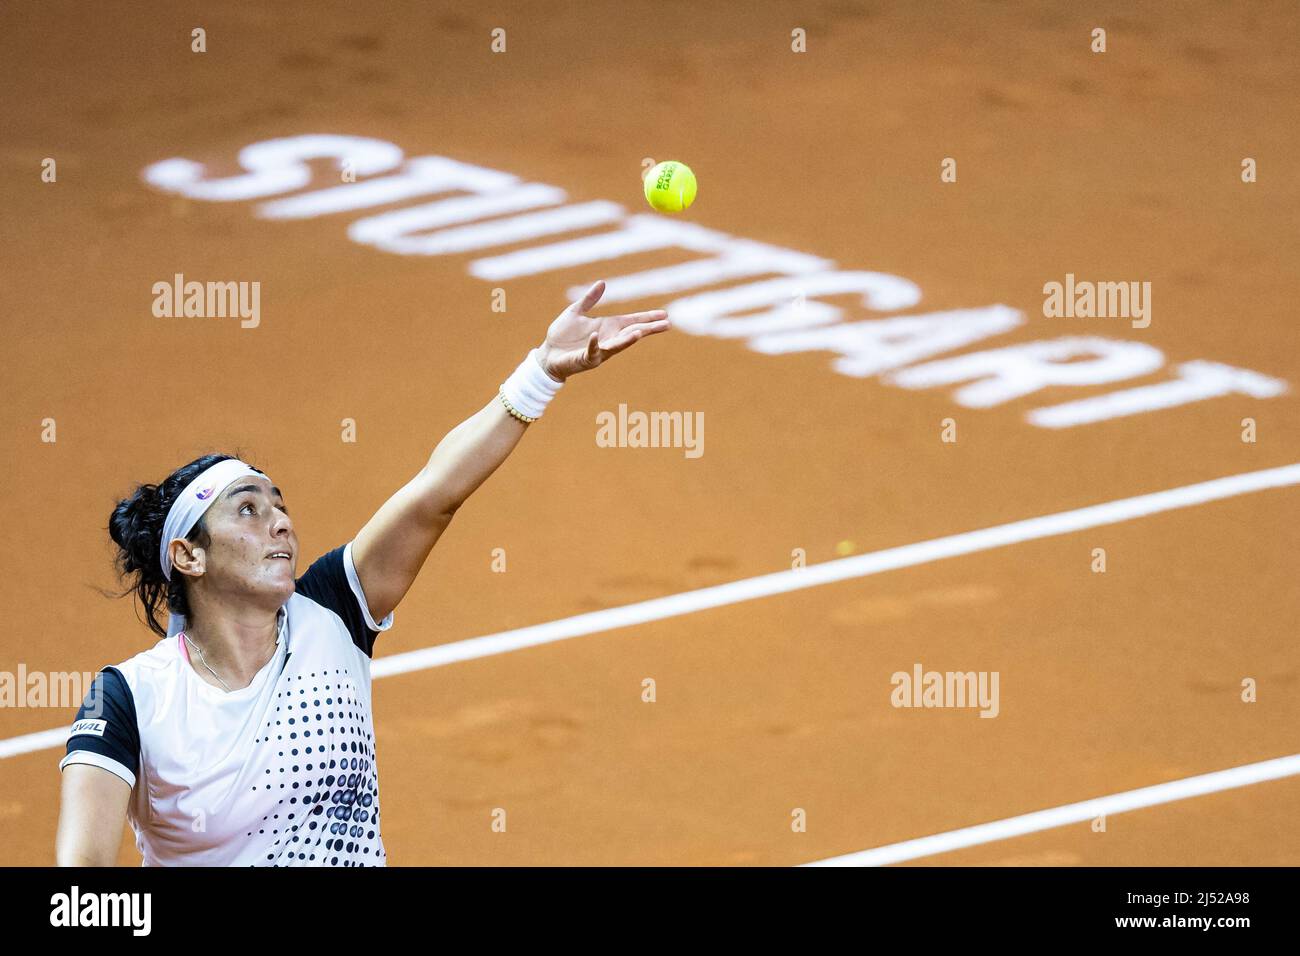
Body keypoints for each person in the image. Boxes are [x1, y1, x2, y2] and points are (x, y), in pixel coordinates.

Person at [55, 281, 670, 866]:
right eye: (247, 509)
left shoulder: (332, 612)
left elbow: (435, 495)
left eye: (280, 505)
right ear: (190, 556)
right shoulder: (129, 699)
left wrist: (541, 373)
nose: (281, 524)